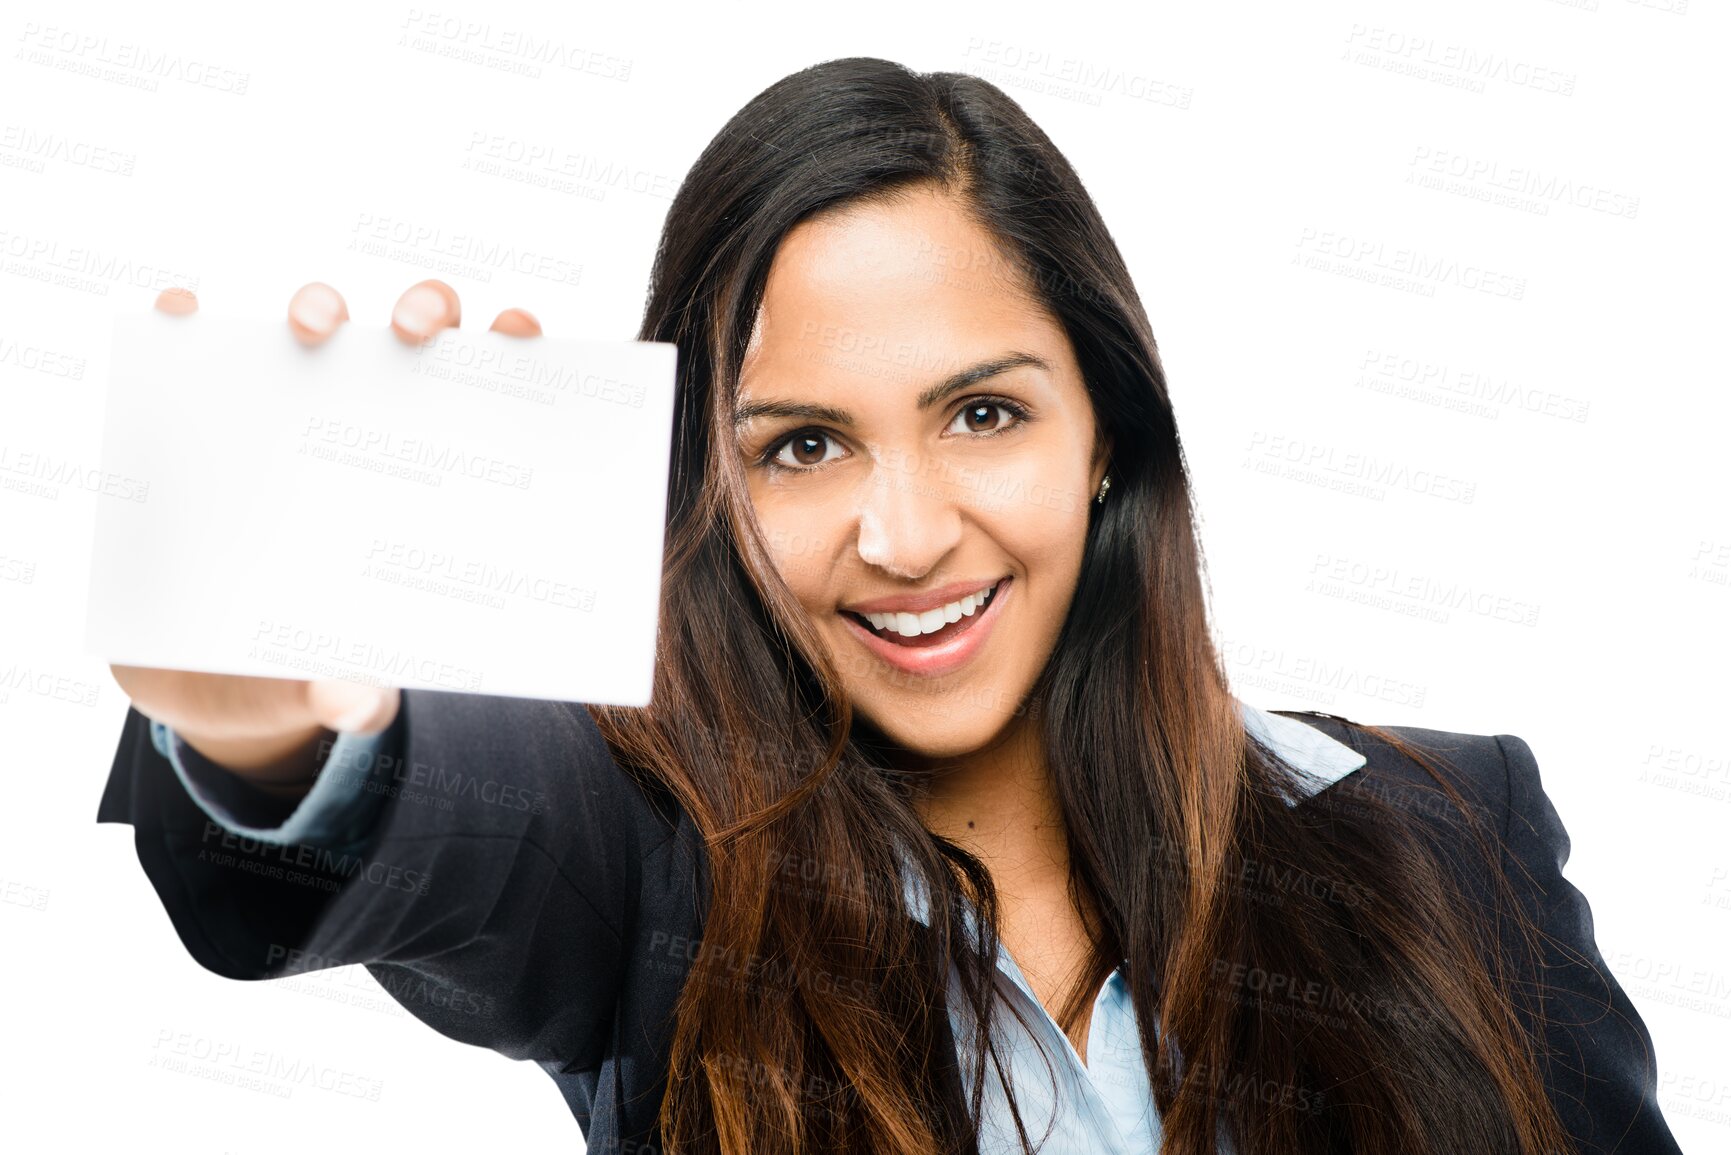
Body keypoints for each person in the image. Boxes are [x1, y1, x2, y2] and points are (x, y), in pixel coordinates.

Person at [98, 57, 1682, 1155]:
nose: (906, 533)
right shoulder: (645, 861)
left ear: (1105, 435)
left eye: (983, 414)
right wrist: (268, 734)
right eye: (800, 446)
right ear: (708, 496)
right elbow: (443, 825)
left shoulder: (1443, 822)